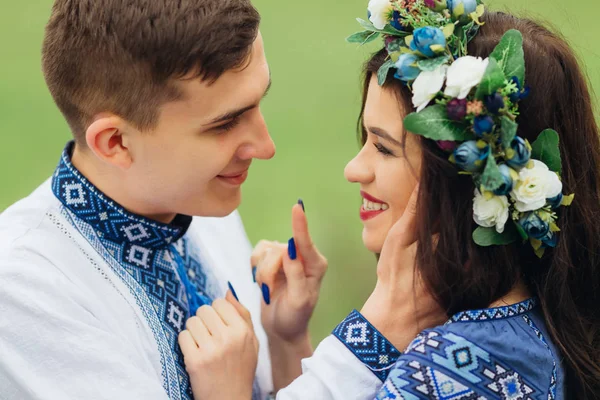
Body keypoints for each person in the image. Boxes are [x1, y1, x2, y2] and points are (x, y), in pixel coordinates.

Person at [179, 2, 600, 399]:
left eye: (384, 149)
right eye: (366, 139)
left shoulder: (457, 371)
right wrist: (288, 343)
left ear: (465, 178)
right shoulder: (495, 328)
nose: (353, 170)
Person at [0, 0, 280, 399]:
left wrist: (286, 338)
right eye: (225, 123)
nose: (266, 146)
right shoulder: (21, 289)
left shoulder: (198, 201)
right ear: (115, 143)